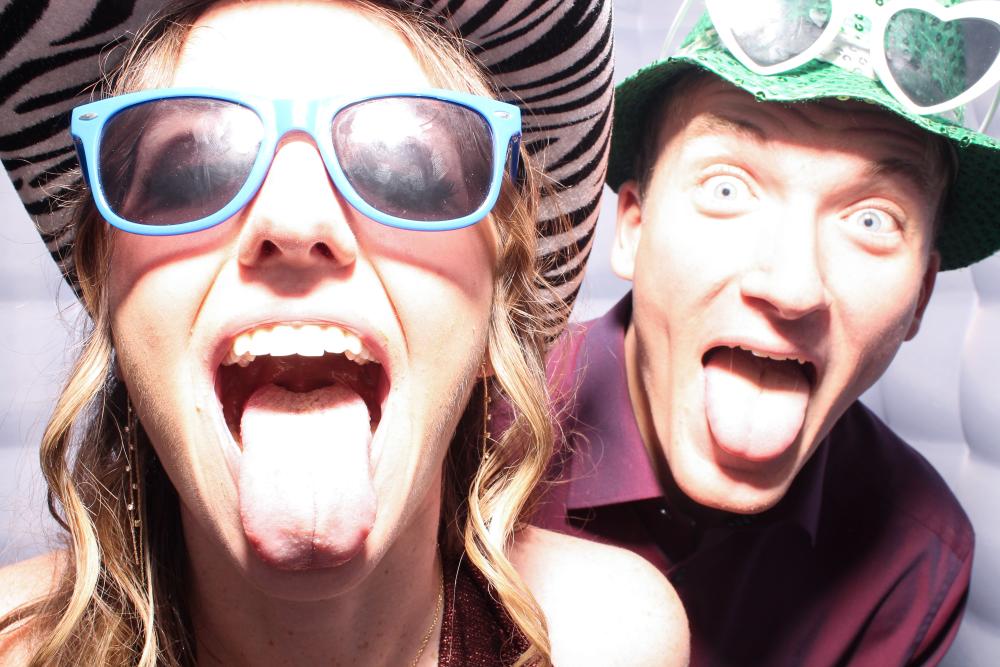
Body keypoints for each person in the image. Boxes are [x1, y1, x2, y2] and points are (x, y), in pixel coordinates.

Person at [0, 1, 689, 666]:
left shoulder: (609, 639)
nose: (297, 224)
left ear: (493, 319)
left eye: (405, 169)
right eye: (192, 172)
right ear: (114, 302)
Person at [534, 1, 996, 664]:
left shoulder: (916, 562)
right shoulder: (466, 437)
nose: (792, 286)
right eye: (726, 188)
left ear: (921, 295)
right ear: (632, 226)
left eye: (872, 220)